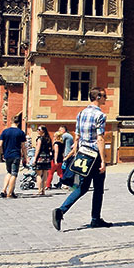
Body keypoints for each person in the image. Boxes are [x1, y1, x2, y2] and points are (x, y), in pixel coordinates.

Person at [52, 87, 113, 231]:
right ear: (97, 97)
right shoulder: (100, 115)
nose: (106, 98)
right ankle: (95, 218)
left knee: (83, 187)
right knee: (98, 189)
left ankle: (61, 211)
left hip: (83, 154)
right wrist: (103, 160)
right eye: (104, 96)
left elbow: (77, 136)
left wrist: (75, 151)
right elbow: (100, 138)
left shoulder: (81, 113)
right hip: (94, 155)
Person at [0, 114, 27, 198]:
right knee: (14, 173)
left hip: (7, 154)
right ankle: (10, 193)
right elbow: (23, 146)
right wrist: (25, 156)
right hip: (16, 154)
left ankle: (3, 189)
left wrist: (2, 153)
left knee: (8, 172)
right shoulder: (20, 132)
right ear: (18, 123)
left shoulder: (5, 131)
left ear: (11, 121)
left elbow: (0, 145)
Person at [32, 125, 53, 196]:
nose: (37, 131)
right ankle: (43, 190)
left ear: (42, 131)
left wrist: (34, 159)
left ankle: (39, 190)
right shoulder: (48, 139)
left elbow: (37, 149)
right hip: (47, 158)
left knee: (38, 174)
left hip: (40, 157)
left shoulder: (40, 139)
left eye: (39, 130)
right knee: (45, 174)